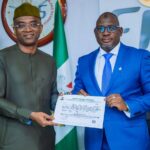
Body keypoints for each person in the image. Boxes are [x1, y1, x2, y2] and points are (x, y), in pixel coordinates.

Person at [72, 12, 150, 150]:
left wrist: (127, 105)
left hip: (129, 140)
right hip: (95, 141)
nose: (105, 33)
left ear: (120, 31)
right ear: (95, 32)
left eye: (111, 28)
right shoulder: (84, 61)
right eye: (101, 29)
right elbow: (77, 92)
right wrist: (77, 99)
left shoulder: (140, 57)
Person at [0, 3, 58, 150]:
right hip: (13, 142)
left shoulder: (49, 60)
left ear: (40, 27)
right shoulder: (3, 58)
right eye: (21, 25)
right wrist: (29, 114)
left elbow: (53, 96)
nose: (28, 29)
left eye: (33, 24)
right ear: (14, 29)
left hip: (46, 140)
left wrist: (72, 102)